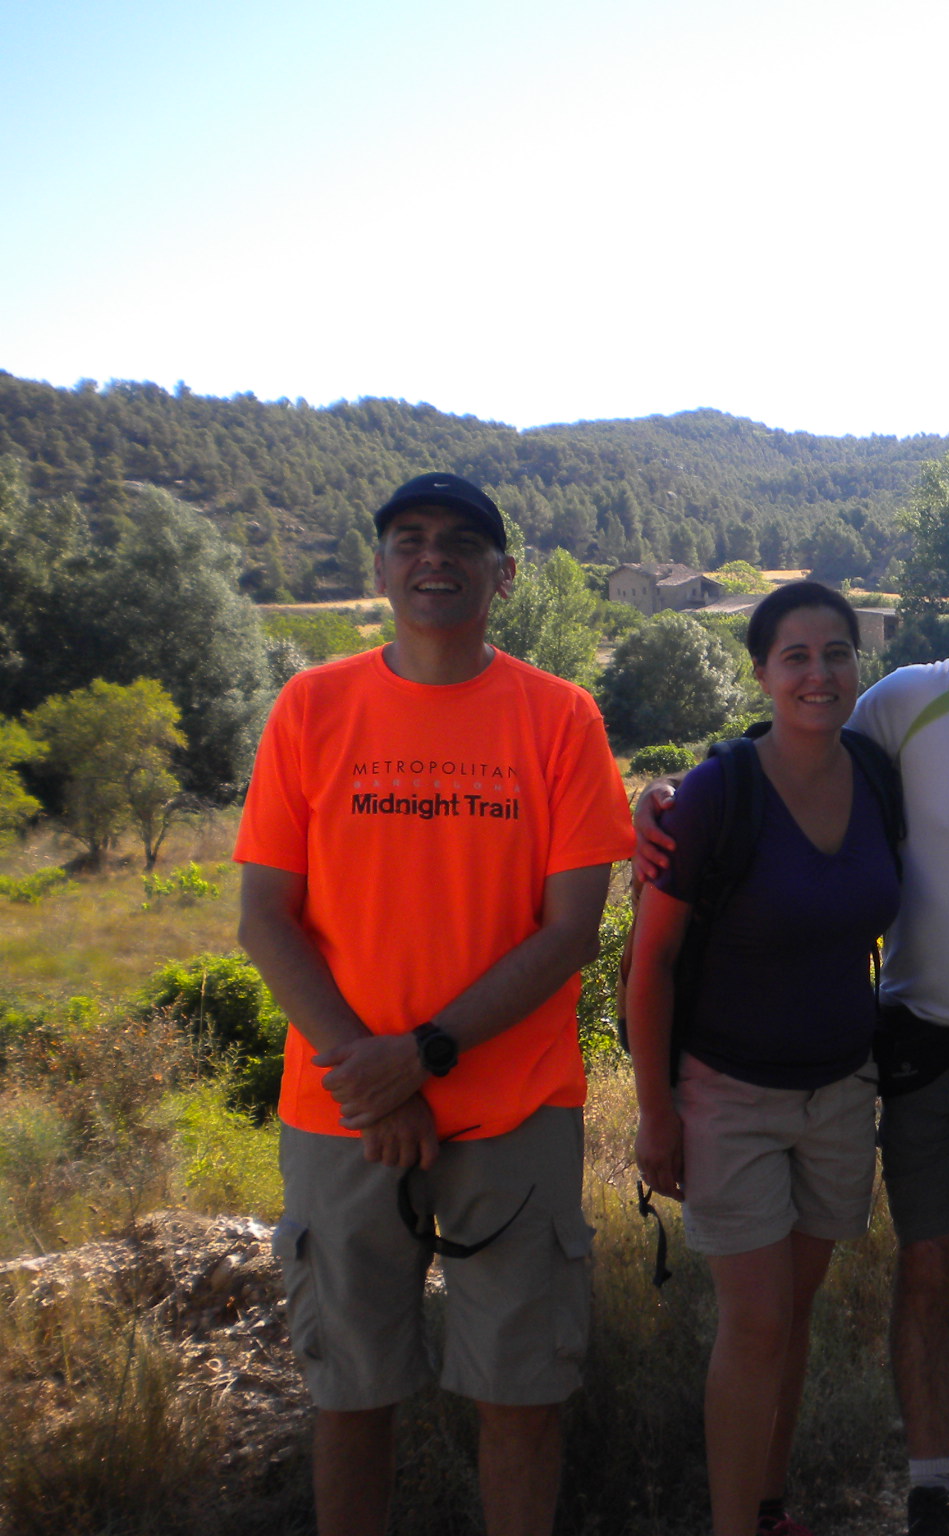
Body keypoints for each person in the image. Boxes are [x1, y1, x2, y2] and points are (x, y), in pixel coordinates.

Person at [636, 523, 949, 1536]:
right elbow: (792, 752)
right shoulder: (905, 699)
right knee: (925, 1265)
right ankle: (928, 1489)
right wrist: (672, 793)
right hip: (915, 1039)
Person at [236, 471, 634, 1536]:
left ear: (502, 577)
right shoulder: (311, 707)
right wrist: (372, 1077)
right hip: (344, 1113)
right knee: (349, 1393)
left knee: (522, 1395)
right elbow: (265, 919)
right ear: (378, 568)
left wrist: (423, 1053)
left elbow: (569, 933)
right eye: (408, 539)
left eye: (461, 542)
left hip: (514, 1112)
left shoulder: (559, 717)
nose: (433, 558)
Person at [626, 581, 902, 1536]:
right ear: (762, 672)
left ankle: (769, 1508)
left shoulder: (874, 775)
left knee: (795, 1312)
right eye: (797, 656)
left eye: (836, 654)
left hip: (840, 1091)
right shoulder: (715, 794)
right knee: (754, 1322)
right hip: (728, 1095)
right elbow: (650, 960)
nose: (820, 674)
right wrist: (657, 1111)